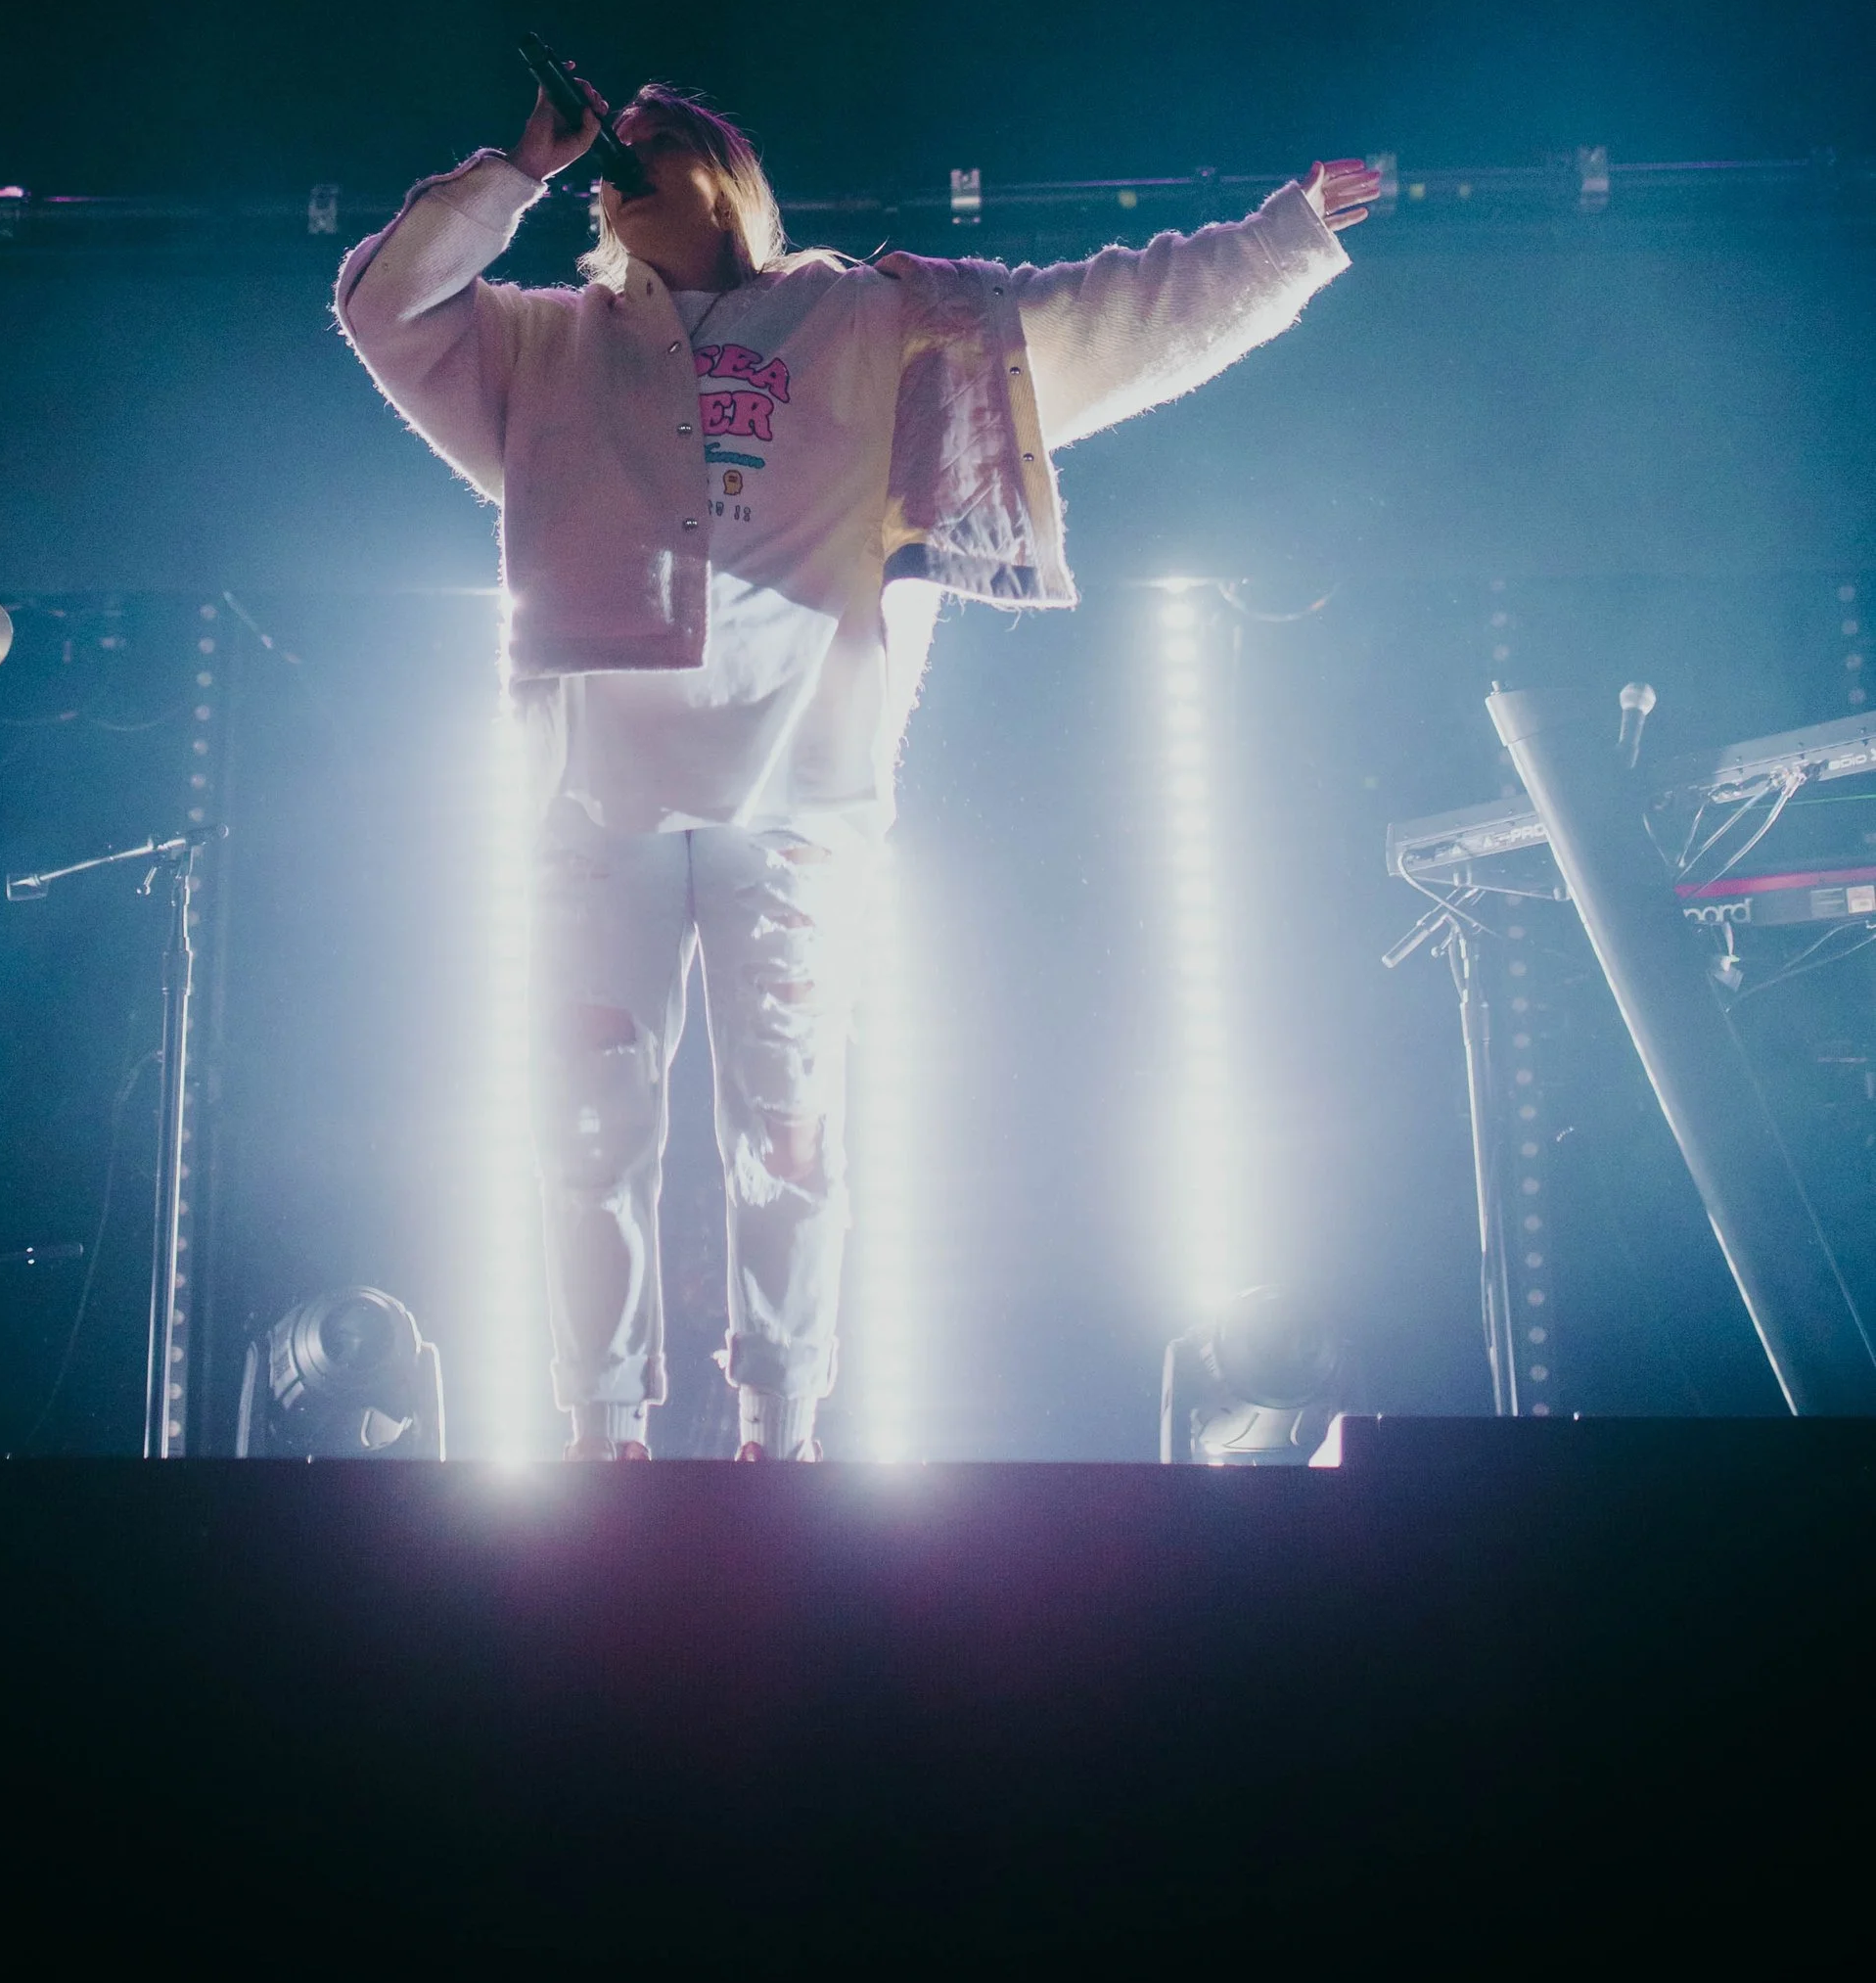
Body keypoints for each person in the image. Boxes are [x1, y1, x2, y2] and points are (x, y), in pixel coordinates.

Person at [338, 83, 1376, 1461]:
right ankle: (601, 1430)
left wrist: (1285, 239)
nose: (618, 165)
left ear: (731, 173)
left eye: (650, 142)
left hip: (801, 799)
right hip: (597, 802)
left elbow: (1111, 320)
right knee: (587, 1120)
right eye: (606, 159)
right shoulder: (550, 344)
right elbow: (381, 306)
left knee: (789, 1128)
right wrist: (515, 171)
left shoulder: (878, 322)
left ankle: (783, 1419)